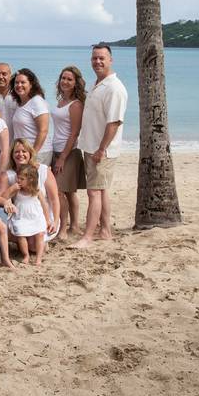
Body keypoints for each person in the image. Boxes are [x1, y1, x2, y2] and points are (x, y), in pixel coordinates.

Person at [72, 44, 128, 249]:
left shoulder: (114, 88)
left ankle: (87, 237)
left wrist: (101, 149)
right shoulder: (99, 84)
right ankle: (105, 230)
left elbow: (114, 122)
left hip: (101, 150)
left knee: (93, 192)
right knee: (102, 190)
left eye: (102, 58)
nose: (97, 62)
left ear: (111, 59)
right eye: (94, 58)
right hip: (92, 147)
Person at [50, 66, 87, 239]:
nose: (65, 81)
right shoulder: (61, 101)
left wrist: (63, 157)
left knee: (58, 190)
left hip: (69, 152)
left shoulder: (76, 104)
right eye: (63, 78)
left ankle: (63, 228)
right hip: (56, 149)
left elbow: (74, 132)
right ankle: (74, 226)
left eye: (69, 79)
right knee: (69, 191)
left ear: (76, 83)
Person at [0, 138, 61, 239]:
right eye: (17, 152)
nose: (20, 154)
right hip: (20, 215)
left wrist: (55, 221)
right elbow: (0, 198)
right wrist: (6, 202)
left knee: (34, 245)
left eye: (24, 151)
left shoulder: (43, 170)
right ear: (12, 155)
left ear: (30, 153)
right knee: (19, 234)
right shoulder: (7, 175)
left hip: (42, 215)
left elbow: (54, 199)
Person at [0, 164, 49, 266]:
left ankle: (38, 258)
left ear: (30, 180)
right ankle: (26, 255)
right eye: (18, 177)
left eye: (22, 179)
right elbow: (3, 197)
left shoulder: (37, 191)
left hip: (36, 217)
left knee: (40, 234)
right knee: (21, 234)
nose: (18, 180)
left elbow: (44, 205)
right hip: (21, 217)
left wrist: (47, 219)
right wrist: (11, 188)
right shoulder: (17, 190)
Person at [10, 68, 53, 165]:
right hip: (24, 153)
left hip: (39, 153)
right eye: (16, 83)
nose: (19, 85)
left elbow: (43, 131)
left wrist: (33, 154)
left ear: (31, 84)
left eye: (23, 82)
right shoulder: (20, 103)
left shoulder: (37, 101)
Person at [0, 62, 17, 131]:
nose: (0, 77)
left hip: (16, 141)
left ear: (10, 77)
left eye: (4, 74)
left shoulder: (18, 96)